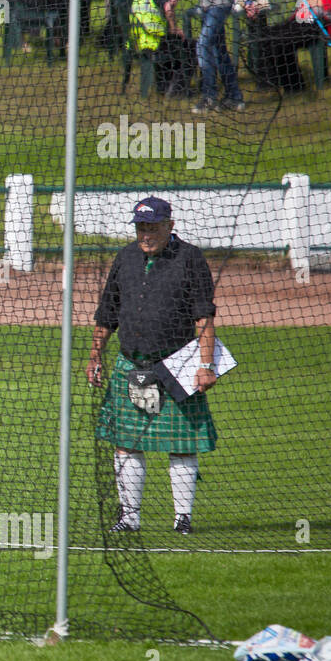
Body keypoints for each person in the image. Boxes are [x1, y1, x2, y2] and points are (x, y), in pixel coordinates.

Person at [87, 198, 218, 535]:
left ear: (170, 225)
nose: (145, 234)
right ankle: (129, 517)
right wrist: (95, 355)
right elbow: (107, 312)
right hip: (133, 365)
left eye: (153, 227)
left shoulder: (190, 259)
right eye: (141, 227)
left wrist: (206, 364)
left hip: (177, 366)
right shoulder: (125, 258)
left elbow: (204, 315)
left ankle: (182, 518)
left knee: (182, 442)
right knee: (127, 441)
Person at [130, 0, 197, 97]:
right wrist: (174, 28)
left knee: (173, 43)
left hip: (138, 40)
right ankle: (177, 91)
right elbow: (168, 8)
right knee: (192, 46)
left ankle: (164, 86)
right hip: (153, 41)